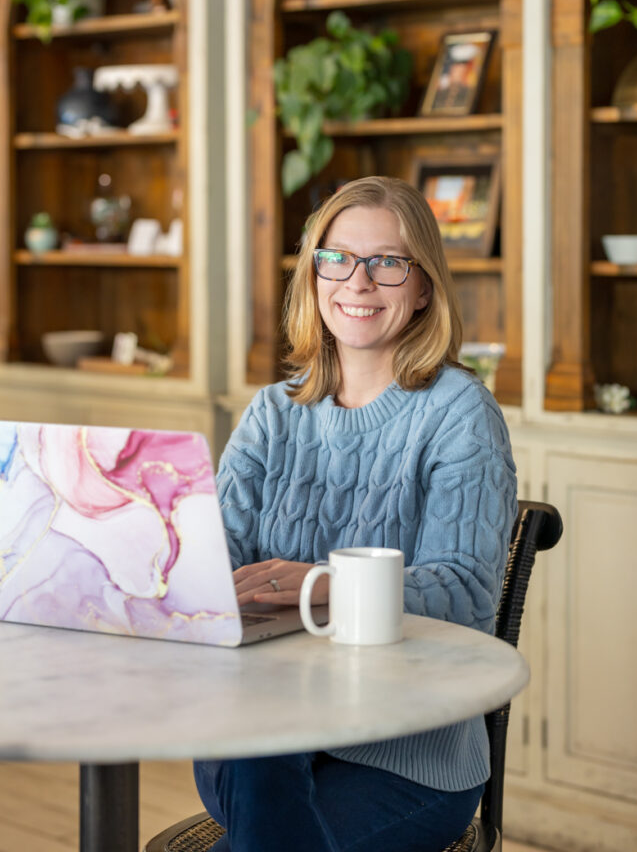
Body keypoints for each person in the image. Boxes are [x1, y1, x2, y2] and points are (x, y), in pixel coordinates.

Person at [193, 175, 517, 852]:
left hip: (403, 757)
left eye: (387, 263)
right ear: (314, 276)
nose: (358, 282)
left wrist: (318, 583)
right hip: (256, 745)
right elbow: (204, 570)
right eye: (337, 258)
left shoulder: (459, 413)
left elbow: (465, 595)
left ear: (424, 286)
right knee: (267, 756)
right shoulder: (270, 415)